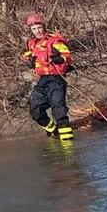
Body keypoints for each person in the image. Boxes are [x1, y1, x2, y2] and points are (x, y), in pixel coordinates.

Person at [21, 13, 73, 142]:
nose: (37, 31)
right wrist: (29, 62)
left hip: (57, 79)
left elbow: (67, 55)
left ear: (43, 27)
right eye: (34, 29)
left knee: (58, 109)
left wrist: (59, 58)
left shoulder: (54, 40)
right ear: (31, 30)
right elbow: (27, 56)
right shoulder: (31, 43)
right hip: (43, 80)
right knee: (35, 109)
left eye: (39, 28)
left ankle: (67, 143)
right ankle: (53, 130)